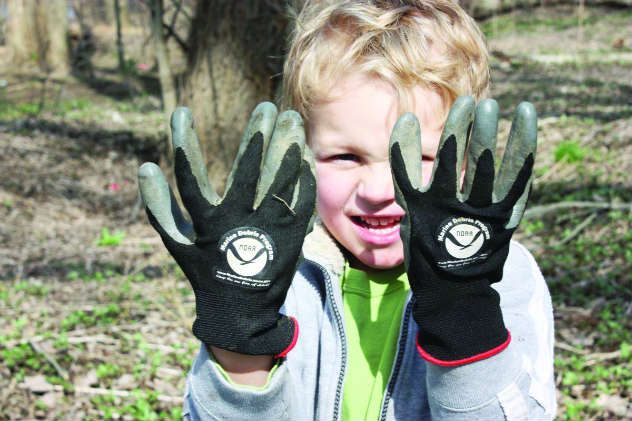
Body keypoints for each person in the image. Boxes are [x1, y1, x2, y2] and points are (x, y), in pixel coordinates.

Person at [137, 0, 556, 420]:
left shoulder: (504, 277)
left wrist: (464, 314)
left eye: (420, 158)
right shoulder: (276, 280)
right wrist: (239, 336)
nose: (378, 190)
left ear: (465, 159)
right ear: (301, 153)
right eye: (345, 157)